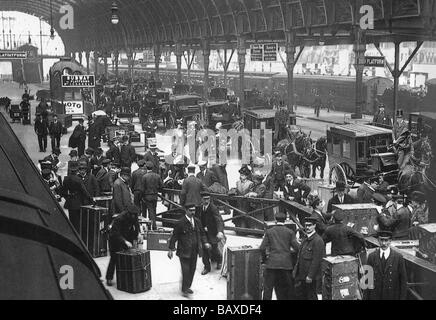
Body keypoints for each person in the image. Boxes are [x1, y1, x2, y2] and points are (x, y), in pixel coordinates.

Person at [168, 204, 210, 297]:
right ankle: (185, 289)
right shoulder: (180, 223)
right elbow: (175, 236)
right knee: (186, 271)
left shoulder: (197, 221)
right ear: (186, 211)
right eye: (190, 210)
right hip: (184, 251)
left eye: (194, 210)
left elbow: (202, 234)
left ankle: (187, 286)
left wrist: (205, 242)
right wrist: (171, 249)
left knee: (192, 270)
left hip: (194, 251)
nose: (192, 212)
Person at [260, 212, 300, 300]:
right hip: (286, 264)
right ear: (285, 220)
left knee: (268, 288)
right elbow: (297, 248)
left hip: (272, 264)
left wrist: (264, 260)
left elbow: (262, 248)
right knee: (287, 288)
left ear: (275, 220)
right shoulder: (290, 232)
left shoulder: (269, 231)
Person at [364, 230, 407, 300]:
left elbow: (403, 282)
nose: (384, 243)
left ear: (390, 241)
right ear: (378, 240)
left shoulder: (398, 257)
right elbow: (367, 281)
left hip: (392, 296)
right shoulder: (371, 257)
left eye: (386, 240)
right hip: (375, 296)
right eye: (381, 240)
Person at [106, 205, 141, 286]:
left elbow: (136, 224)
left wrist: (139, 233)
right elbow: (115, 233)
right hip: (115, 240)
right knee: (114, 258)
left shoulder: (134, 216)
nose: (134, 216)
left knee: (127, 257)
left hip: (127, 236)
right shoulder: (119, 219)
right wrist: (125, 241)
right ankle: (109, 278)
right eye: (133, 215)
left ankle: (125, 277)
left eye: (135, 215)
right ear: (128, 213)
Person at [293, 217, 325, 300]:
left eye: (310, 225)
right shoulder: (305, 238)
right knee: (302, 295)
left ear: (314, 226)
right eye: (306, 225)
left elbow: (316, 261)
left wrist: (310, 276)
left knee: (311, 296)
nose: (307, 227)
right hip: (302, 275)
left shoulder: (318, 241)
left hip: (310, 277)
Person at [62, 163, 94, 232]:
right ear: (77, 170)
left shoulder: (66, 178)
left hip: (70, 202)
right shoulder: (78, 179)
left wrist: (68, 197)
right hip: (78, 202)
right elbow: (84, 191)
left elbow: (63, 192)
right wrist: (91, 199)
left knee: (72, 220)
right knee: (78, 222)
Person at [199, 192, 225, 275]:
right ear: (201, 199)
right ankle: (206, 267)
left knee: (214, 248)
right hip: (203, 232)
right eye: (204, 199)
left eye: (208, 199)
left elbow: (219, 220)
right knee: (204, 249)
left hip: (213, 232)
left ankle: (219, 260)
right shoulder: (199, 207)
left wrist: (220, 231)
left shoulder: (213, 208)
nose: (206, 201)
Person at [141, 161, 163, 230]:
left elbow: (142, 188)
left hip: (147, 196)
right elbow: (161, 186)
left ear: (146, 168)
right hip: (155, 196)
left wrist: (142, 196)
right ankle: (153, 225)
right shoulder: (157, 176)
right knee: (154, 210)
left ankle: (152, 226)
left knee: (150, 211)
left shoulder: (144, 177)